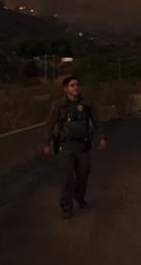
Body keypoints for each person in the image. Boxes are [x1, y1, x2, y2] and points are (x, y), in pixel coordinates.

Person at [43, 75, 107, 219]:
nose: (76, 87)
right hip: (66, 145)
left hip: (83, 145)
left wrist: (102, 138)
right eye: (72, 85)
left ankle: (79, 196)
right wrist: (47, 143)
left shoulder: (86, 103)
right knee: (66, 177)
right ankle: (66, 207)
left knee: (83, 174)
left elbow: (97, 122)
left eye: (77, 84)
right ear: (65, 88)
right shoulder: (59, 105)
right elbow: (49, 124)